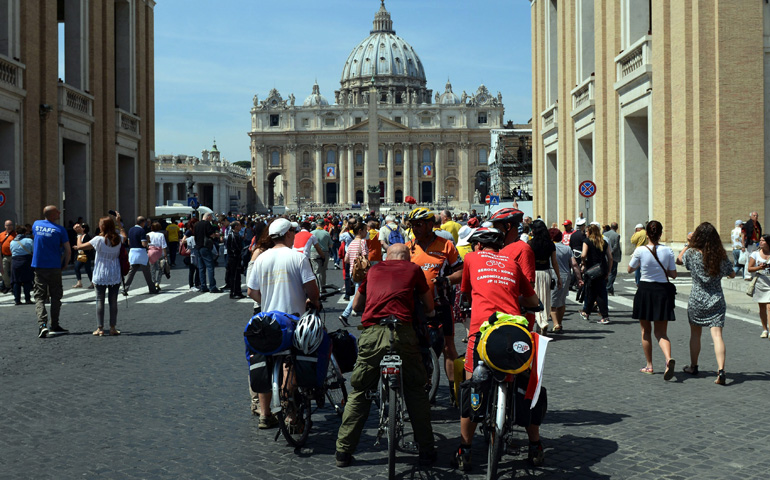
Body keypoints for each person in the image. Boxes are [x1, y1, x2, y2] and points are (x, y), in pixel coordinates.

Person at [335, 244, 437, 468]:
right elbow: (429, 304)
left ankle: (343, 452)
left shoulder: (373, 270)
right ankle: (427, 450)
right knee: (415, 391)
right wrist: (429, 312)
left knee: (360, 392)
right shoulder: (413, 269)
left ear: (386, 257)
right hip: (403, 334)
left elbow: (356, 305)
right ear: (407, 258)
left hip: (373, 334)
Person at [454, 227, 542, 470]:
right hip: (514, 331)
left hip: (482, 332)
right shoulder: (512, 264)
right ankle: (535, 445)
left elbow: (465, 293)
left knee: (472, 387)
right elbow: (533, 301)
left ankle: (465, 449)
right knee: (528, 386)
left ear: (478, 246)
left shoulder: (471, 258)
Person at [246, 218, 320, 429]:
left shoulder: (261, 258)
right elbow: (312, 290)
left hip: (268, 320)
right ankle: (291, 414)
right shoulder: (297, 257)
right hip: (292, 319)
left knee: (265, 361)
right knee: (289, 361)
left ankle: (265, 414)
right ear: (288, 234)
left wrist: (266, 302)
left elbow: (251, 291)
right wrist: (313, 301)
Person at [405, 207, 463, 387]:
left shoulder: (446, 245)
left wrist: (447, 280)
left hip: (441, 304)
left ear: (430, 225)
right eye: (413, 225)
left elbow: (461, 272)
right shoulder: (407, 248)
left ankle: (454, 391)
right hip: (415, 306)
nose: (415, 228)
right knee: (414, 346)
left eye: (419, 224)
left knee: (448, 347)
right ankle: (421, 385)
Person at [676, 223, 736, 385]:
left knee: (695, 334)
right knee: (717, 336)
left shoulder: (692, 253)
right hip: (716, 299)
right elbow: (732, 274)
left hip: (696, 298)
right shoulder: (720, 255)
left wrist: (688, 244)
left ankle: (693, 366)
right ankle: (721, 370)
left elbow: (679, 260)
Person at [628, 220, 677, 380]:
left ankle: (649, 365)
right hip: (662, 291)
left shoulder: (640, 250)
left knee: (645, 331)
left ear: (646, 234)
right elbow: (673, 274)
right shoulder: (668, 250)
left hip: (645, 291)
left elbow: (629, 269)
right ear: (661, 234)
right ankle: (668, 359)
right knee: (661, 332)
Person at [74, 217, 125, 336]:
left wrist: (79, 234)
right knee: (113, 301)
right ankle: (113, 327)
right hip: (114, 272)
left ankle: (100, 328)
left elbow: (80, 246)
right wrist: (119, 222)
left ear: (102, 227)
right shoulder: (118, 238)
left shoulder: (98, 239)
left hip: (101, 272)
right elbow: (124, 235)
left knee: (100, 300)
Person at [31, 205, 72, 338]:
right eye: (57, 211)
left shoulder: (36, 225)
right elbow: (68, 250)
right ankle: (54, 325)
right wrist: (65, 264)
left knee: (39, 296)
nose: (60, 212)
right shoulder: (60, 229)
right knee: (55, 296)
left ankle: (42, 324)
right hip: (54, 266)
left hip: (39, 266)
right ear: (52, 215)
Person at [528, 220, 560, 334]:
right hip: (546, 272)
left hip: (534, 273)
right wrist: (559, 277)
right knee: (546, 299)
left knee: (535, 299)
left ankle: (540, 322)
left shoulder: (530, 243)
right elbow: (554, 262)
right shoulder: (550, 244)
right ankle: (544, 321)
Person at [549, 228, 582, 332]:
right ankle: (559, 322)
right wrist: (579, 279)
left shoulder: (550, 247)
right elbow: (574, 264)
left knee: (552, 302)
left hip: (553, 275)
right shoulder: (567, 248)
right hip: (566, 276)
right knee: (561, 301)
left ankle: (556, 324)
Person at [580, 224, 613, 324]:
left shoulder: (587, 241)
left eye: (587, 231)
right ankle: (586, 312)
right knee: (596, 291)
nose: (585, 233)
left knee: (595, 292)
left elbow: (583, 255)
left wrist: (583, 262)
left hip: (591, 269)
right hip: (602, 269)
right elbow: (610, 258)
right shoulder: (603, 242)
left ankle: (604, 316)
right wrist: (609, 271)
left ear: (590, 232)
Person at [339, 223, 369, 326]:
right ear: (360, 231)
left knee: (359, 293)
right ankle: (345, 314)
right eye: (365, 230)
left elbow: (346, 259)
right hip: (361, 272)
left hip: (353, 271)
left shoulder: (351, 243)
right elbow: (365, 257)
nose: (366, 232)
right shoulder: (362, 242)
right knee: (358, 295)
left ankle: (361, 314)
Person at [124, 216, 159, 295]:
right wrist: (147, 239)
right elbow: (144, 244)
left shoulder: (131, 229)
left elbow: (129, 242)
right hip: (141, 253)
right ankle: (152, 289)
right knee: (147, 273)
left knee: (131, 272)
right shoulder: (142, 230)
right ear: (143, 222)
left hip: (132, 252)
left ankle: (125, 288)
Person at [747, 234, 770, 338]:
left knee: (769, 307)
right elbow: (749, 268)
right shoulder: (755, 254)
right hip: (760, 282)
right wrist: (759, 268)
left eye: (763, 240)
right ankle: (765, 329)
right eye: (760, 240)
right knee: (762, 308)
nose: (760, 242)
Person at [194, 212, 221, 293]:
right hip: (205, 247)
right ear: (208, 216)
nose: (211, 218)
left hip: (198, 247)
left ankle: (203, 286)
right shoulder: (207, 224)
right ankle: (212, 287)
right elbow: (211, 234)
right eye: (211, 217)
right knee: (210, 267)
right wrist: (216, 235)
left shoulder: (197, 224)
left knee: (201, 268)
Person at [9, 225, 34, 305]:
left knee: (16, 281)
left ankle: (17, 300)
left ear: (16, 233)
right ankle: (27, 299)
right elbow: (33, 250)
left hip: (15, 262)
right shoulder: (29, 240)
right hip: (26, 261)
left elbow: (11, 251)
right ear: (25, 232)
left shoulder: (12, 242)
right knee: (27, 280)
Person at [225, 221, 245, 299]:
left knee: (237, 275)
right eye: (239, 225)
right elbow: (235, 247)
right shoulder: (233, 235)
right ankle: (234, 292)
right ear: (236, 226)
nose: (241, 227)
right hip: (234, 258)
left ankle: (238, 291)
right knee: (234, 275)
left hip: (235, 257)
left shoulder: (235, 235)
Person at [310, 219, 332, 290]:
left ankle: (317, 287)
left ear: (316, 225)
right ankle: (323, 286)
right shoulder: (326, 233)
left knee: (316, 271)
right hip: (324, 252)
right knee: (323, 270)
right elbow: (330, 245)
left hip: (313, 252)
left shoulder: (311, 233)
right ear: (324, 225)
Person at [147, 222, 168, 292]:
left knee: (152, 269)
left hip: (150, 252)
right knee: (161, 268)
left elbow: (146, 244)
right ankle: (158, 282)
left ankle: (153, 282)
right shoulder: (161, 235)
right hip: (159, 252)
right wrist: (165, 255)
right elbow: (163, 245)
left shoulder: (148, 234)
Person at [72, 222, 94, 289]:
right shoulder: (79, 236)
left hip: (86, 255)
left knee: (88, 269)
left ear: (84, 229)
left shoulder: (87, 236)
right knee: (77, 267)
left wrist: (78, 247)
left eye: (81, 227)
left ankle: (92, 283)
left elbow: (88, 246)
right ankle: (79, 282)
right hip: (80, 254)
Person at [743, 211, 763, 280]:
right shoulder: (747, 225)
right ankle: (747, 276)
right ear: (751, 216)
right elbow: (743, 236)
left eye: (757, 215)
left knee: (756, 259)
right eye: (754, 215)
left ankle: (754, 274)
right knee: (749, 259)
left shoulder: (758, 225)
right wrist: (743, 246)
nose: (756, 217)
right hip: (750, 244)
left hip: (757, 243)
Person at [181, 219, 200, 291]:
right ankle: (191, 284)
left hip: (197, 251)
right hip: (190, 252)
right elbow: (183, 241)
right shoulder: (189, 231)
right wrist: (192, 239)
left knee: (198, 269)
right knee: (192, 269)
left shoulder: (197, 230)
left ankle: (197, 283)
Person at [604, 222, 622, 295]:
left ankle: (610, 289)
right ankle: (608, 288)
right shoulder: (617, 235)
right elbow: (616, 246)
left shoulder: (605, 234)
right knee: (612, 272)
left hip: (606, 255)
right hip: (613, 256)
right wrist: (610, 252)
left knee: (607, 271)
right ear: (617, 228)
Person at [0, 219, 17, 293]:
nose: (9, 227)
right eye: (8, 225)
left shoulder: (15, 234)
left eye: (11, 225)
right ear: (5, 226)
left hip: (13, 256)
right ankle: (8, 286)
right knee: (4, 272)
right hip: (5, 256)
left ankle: (13, 286)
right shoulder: (1, 234)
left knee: (13, 272)